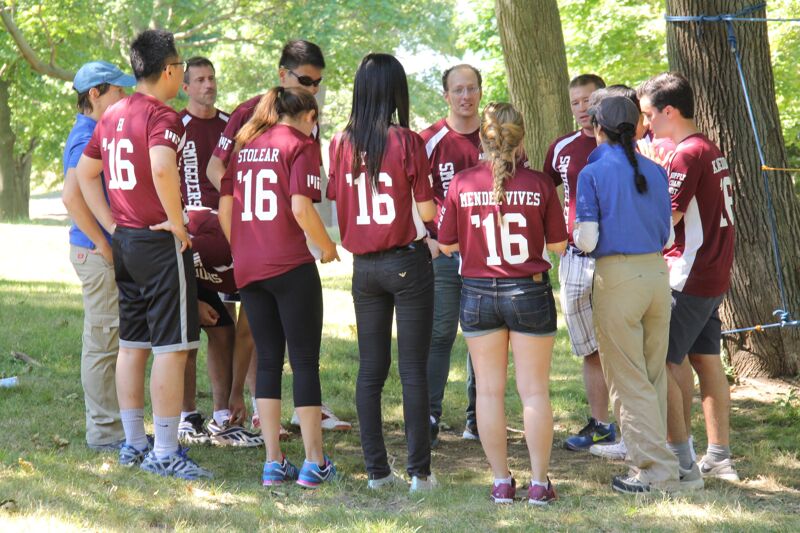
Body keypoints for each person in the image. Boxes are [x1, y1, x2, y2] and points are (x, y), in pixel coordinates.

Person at [75, 29, 211, 480]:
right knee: (172, 348)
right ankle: (166, 451)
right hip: (157, 241)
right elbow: (159, 164)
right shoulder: (163, 115)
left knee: (133, 345)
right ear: (170, 70)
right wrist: (176, 220)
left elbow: (85, 173)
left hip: (127, 241)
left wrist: (112, 226)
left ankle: (135, 443)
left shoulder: (113, 114)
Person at [207, 39, 351, 434]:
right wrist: (247, 233)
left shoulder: (307, 117)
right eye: (306, 80)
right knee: (258, 334)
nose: (312, 89)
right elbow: (216, 170)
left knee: (277, 342)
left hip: (277, 242)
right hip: (262, 244)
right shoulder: (249, 113)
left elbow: (298, 191)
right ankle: (238, 402)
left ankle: (285, 422)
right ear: (282, 74)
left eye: (319, 82)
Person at [438, 102, 567, 504]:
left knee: (489, 393)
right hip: (528, 290)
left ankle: (500, 481)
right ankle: (540, 484)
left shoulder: (461, 183)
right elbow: (559, 245)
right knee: (533, 392)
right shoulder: (541, 184)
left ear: (483, 137)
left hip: (477, 292)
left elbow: (445, 244)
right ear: (520, 138)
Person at [218, 86, 339, 488]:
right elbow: (301, 208)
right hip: (289, 265)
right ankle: (314, 462)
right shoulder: (300, 145)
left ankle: (273, 462)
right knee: (304, 362)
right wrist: (327, 247)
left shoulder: (247, 146)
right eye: (315, 120)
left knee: (268, 360)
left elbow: (227, 207)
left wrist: (243, 246)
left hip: (250, 267)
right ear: (308, 116)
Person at [327, 53, 437, 492]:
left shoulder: (338, 141)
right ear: (395, 91)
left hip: (364, 268)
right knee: (413, 369)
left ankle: (376, 472)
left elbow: (338, 198)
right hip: (406, 260)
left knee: (370, 371)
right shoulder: (407, 141)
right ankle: (419, 474)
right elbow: (427, 209)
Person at [573, 94, 690, 493]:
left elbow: (587, 239)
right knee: (653, 374)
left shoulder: (593, 171)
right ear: (637, 126)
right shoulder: (656, 171)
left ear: (597, 128)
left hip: (618, 275)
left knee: (628, 379)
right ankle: (669, 465)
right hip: (656, 273)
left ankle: (655, 471)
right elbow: (669, 233)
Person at [638, 72, 739, 482]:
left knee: (664, 360)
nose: (645, 125)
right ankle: (719, 456)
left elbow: (666, 219)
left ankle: (682, 461)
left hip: (688, 274)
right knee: (706, 359)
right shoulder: (709, 148)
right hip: (713, 270)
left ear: (669, 111)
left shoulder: (686, 154)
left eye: (648, 115)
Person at [175, 56, 262, 447]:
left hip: (231, 233)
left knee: (229, 327)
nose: (208, 85)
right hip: (190, 238)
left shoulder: (233, 123)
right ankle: (185, 414)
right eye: (200, 80)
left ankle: (226, 414)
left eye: (212, 78)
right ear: (185, 86)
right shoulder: (175, 126)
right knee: (190, 330)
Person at [61, 60, 135, 452]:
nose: (123, 96)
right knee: (103, 341)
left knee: (113, 338)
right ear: (95, 94)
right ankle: (105, 433)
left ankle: (117, 427)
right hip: (93, 251)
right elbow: (71, 197)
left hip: (98, 248)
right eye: (117, 91)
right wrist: (105, 244)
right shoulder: (85, 134)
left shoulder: (97, 130)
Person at [543, 74, 617, 451]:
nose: (583, 108)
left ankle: (634, 422)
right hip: (574, 257)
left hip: (617, 257)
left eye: (589, 100)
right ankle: (602, 423)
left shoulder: (627, 146)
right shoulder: (562, 148)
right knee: (588, 346)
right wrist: (555, 238)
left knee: (621, 342)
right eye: (576, 102)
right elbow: (542, 191)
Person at [419, 64, 482, 445]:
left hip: (487, 256)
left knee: (482, 337)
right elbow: (406, 191)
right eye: (457, 90)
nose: (465, 96)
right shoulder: (428, 140)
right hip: (442, 253)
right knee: (440, 333)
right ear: (446, 95)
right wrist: (424, 238)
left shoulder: (495, 138)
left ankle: (479, 418)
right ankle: (429, 414)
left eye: (471, 88)